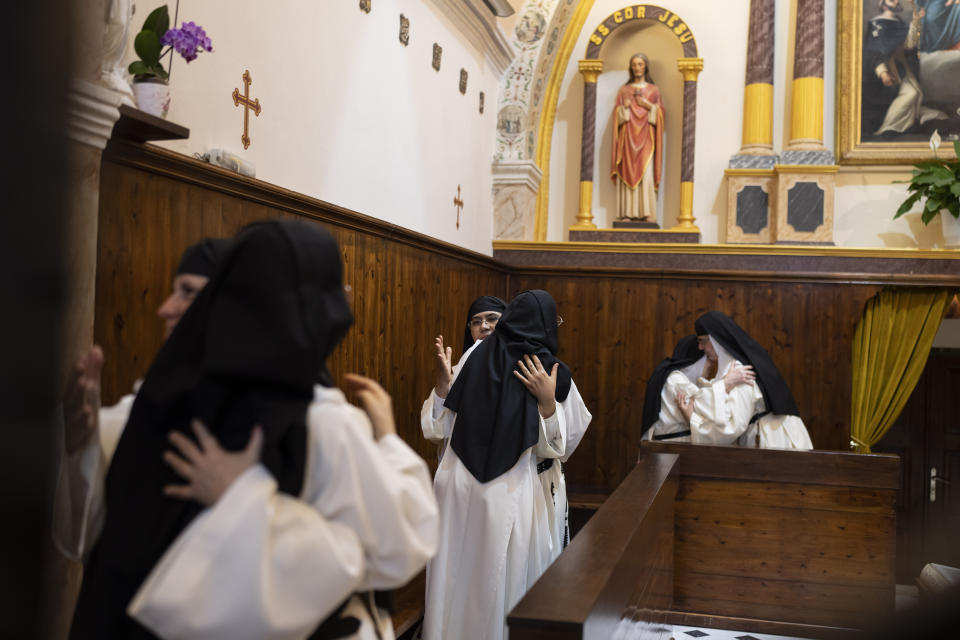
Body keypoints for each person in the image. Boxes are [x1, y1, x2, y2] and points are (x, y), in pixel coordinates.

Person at [62, 220, 438, 639]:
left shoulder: (320, 421)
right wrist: (83, 447)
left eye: (188, 293)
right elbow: (386, 552)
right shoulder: (321, 422)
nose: (165, 308)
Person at [422, 290, 591, 640]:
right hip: (516, 489)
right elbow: (563, 444)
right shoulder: (548, 367)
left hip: (459, 487)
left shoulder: (474, 358)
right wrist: (547, 404)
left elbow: (444, 427)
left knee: (458, 579)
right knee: (504, 583)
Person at [642, 312, 813, 450]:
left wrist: (692, 420)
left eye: (703, 341)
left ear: (716, 340)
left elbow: (731, 429)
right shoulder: (732, 370)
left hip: (775, 443)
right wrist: (724, 384)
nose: (700, 348)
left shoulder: (740, 370)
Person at [421, 295, 506, 463]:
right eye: (476, 322)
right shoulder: (455, 372)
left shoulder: (524, 370)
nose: (484, 326)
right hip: (458, 473)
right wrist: (443, 385)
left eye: (492, 319)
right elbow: (435, 433)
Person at [611, 52, 664, 222]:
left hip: (646, 137)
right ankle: (627, 213)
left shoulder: (653, 90)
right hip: (627, 138)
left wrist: (647, 105)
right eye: (634, 64)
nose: (637, 68)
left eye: (640, 64)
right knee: (628, 171)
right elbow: (616, 115)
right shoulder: (624, 90)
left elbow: (661, 115)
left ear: (646, 66)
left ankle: (647, 212)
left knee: (646, 172)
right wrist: (624, 108)